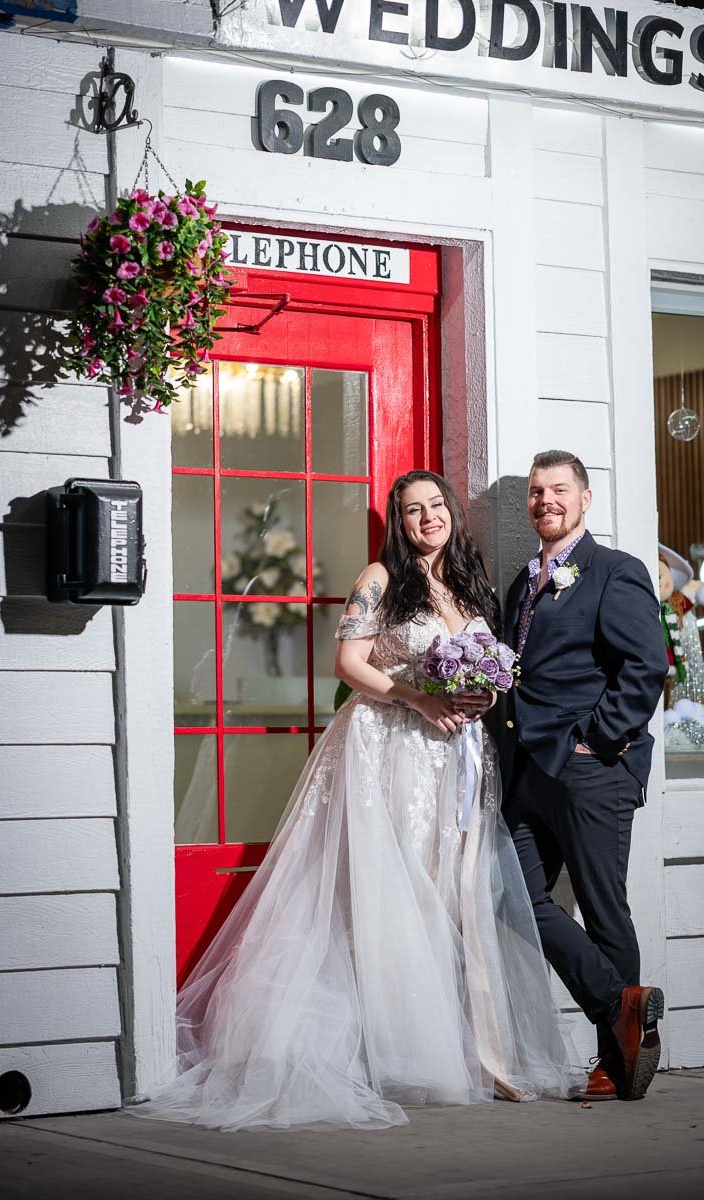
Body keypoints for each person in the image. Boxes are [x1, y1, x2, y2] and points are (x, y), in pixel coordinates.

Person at [135, 470, 580, 1133]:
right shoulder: (379, 579)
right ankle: (382, 1052)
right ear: (397, 522)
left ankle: (465, 1051)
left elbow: (482, 665)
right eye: (411, 510)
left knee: (449, 894)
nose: (426, 518)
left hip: (454, 757)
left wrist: (478, 695)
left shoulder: (468, 580)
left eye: (435, 506)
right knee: (385, 892)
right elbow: (349, 663)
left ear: (452, 513)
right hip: (391, 747)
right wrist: (417, 697)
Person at [500, 450, 669, 1104]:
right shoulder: (523, 581)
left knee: (603, 910)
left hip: (591, 771)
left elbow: (645, 667)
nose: (546, 501)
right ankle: (621, 1003)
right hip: (527, 773)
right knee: (509, 894)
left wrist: (596, 743)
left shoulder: (614, 572)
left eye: (558, 490)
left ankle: (617, 1065)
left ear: (585, 498)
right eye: (537, 492)